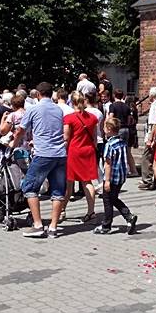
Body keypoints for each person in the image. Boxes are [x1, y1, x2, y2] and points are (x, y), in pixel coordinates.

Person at [12, 82, 67, 239]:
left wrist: (13, 144)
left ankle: (38, 225)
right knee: (58, 190)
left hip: (43, 153)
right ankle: (53, 227)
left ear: (38, 94)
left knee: (29, 187)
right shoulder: (58, 109)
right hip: (60, 154)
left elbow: (21, 130)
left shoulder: (33, 109)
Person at [95, 117, 138, 235]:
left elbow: (108, 164)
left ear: (109, 129)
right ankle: (129, 217)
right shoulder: (122, 142)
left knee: (107, 200)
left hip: (112, 177)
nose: (103, 129)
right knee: (113, 198)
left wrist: (107, 180)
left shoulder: (110, 144)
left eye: (104, 127)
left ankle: (106, 225)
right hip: (121, 176)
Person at [61, 91, 99, 223]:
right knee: (87, 182)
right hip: (88, 150)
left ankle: (62, 210)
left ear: (72, 102)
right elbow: (95, 137)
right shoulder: (93, 118)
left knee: (69, 182)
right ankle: (91, 211)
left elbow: (66, 138)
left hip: (74, 151)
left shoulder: (69, 118)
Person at [108, 89, 137, 175]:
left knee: (116, 150)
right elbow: (129, 119)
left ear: (114, 95)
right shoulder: (126, 106)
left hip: (117, 129)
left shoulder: (112, 106)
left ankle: (119, 170)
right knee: (126, 151)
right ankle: (133, 170)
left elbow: (111, 118)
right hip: (126, 129)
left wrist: (108, 127)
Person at [139, 87, 156, 190]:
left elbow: (153, 124)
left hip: (153, 135)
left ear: (152, 95)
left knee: (146, 158)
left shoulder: (154, 106)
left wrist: (150, 139)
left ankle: (147, 180)